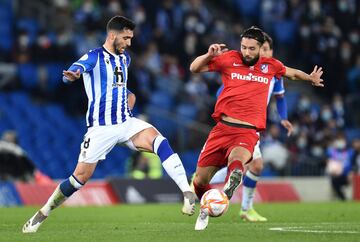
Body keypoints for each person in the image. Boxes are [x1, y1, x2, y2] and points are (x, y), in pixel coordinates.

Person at [22, 16, 196, 233]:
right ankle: (43, 213)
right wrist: (73, 76)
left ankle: (186, 192)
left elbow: (121, 89)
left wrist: (129, 98)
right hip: (101, 129)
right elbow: (74, 71)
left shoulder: (125, 60)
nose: (129, 43)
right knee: (78, 179)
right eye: (126, 38)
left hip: (125, 122)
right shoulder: (94, 57)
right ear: (112, 35)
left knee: (159, 141)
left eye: (131, 38)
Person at [189, 26, 324, 230]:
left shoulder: (271, 66)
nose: (247, 52)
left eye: (252, 48)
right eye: (244, 47)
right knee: (200, 181)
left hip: (247, 131)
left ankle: (230, 184)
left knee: (238, 159)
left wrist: (310, 78)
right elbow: (194, 68)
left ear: (261, 48)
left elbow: (293, 74)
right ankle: (208, 206)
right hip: (222, 128)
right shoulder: (229, 59)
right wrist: (208, 55)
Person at [208, 32, 293, 222]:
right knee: (252, 164)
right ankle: (244, 207)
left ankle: (245, 208)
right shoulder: (245, 71)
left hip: (254, 125)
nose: (262, 52)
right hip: (238, 124)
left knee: (252, 165)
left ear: (271, 51)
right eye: (259, 49)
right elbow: (222, 92)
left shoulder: (275, 73)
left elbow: (280, 97)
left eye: (265, 49)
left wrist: (284, 118)